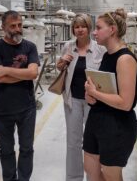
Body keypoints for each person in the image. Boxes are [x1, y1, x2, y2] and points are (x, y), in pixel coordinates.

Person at [83, 8, 137, 181]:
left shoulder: (125, 59)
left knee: (111, 175)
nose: (94, 32)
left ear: (112, 30)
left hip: (117, 126)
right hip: (97, 119)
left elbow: (125, 102)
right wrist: (91, 97)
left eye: (98, 28)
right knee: (91, 170)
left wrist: (95, 93)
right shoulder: (107, 55)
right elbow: (106, 90)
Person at [0, 10, 40, 181]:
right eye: (13, 26)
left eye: (20, 25)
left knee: (26, 148)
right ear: (3, 27)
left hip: (27, 108)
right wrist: (21, 73)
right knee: (7, 150)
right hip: (2, 109)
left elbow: (33, 73)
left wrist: (6, 70)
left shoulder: (30, 46)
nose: (17, 29)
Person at [56, 13, 106, 181]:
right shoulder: (68, 47)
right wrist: (61, 63)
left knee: (93, 143)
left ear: (89, 28)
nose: (79, 29)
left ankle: (94, 177)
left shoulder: (100, 48)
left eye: (83, 26)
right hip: (73, 101)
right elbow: (61, 68)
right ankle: (73, 178)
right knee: (73, 142)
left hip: (94, 102)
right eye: (76, 27)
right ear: (73, 30)